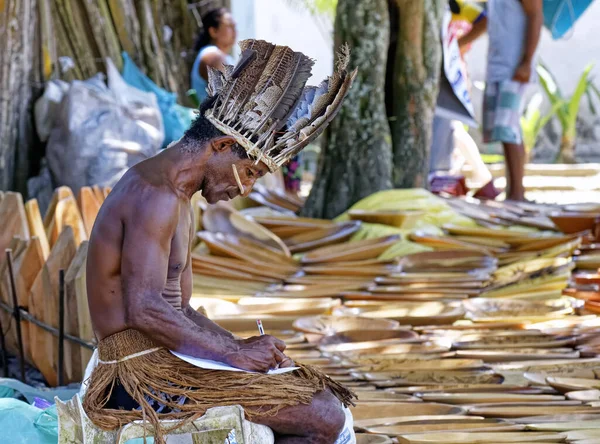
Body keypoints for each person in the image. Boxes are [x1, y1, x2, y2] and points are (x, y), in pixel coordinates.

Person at [83, 39, 357, 444]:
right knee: (323, 417)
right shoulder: (155, 193)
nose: (245, 189)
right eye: (249, 172)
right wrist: (233, 356)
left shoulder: (178, 194)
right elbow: (143, 308)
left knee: (318, 398)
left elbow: (179, 308)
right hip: (135, 375)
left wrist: (239, 344)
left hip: (161, 360)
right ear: (223, 146)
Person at [460, 0, 543, 201]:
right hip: (497, 67)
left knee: (508, 129)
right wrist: (458, 43)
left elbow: (536, 15)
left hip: (515, 68)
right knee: (503, 130)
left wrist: (526, 62)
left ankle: (517, 193)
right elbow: (487, 21)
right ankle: (513, 191)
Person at [190, 7, 237, 103]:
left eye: (234, 27)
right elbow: (229, 98)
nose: (234, 31)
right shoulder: (213, 56)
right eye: (229, 26)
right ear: (213, 31)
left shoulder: (221, 56)